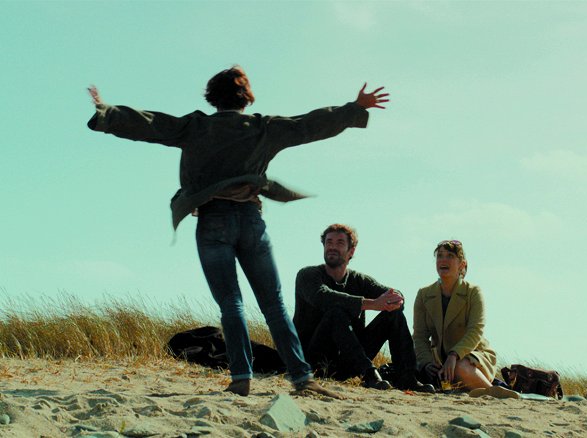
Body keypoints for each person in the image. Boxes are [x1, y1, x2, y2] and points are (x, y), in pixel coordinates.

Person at [86, 65, 389, 397]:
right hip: (249, 220)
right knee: (273, 304)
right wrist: (354, 109)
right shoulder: (262, 127)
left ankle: (241, 376)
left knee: (231, 303)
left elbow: (152, 124)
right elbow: (307, 125)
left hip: (212, 221)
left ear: (212, 96)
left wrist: (107, 112)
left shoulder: (195, 126)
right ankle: (302, 379)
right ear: (246, 97)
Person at [293, 224, 435, 393]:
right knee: (336, 312)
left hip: (349, 362)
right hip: (314, 360)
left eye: (339, 243)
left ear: (351, 251)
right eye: (329, 242)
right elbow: (322, 297)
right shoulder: (307, 275)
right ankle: (369, 374)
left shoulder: (359, 280)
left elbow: (391, 293)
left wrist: (395, 298)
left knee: (394, 314)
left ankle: (408, 377)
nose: (332, 246)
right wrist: (373, 304)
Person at [413, 240, 510, 395]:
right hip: (440, 362)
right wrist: (426, 363)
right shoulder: (424, 294)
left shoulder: (473, 292)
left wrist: (454, 355)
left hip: (474, 356)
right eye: (439, 256)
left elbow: (476, 331)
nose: (443, 260)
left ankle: (494, 394)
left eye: (450, 256)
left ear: (462, 264)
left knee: (461, 368)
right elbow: (419, 336)